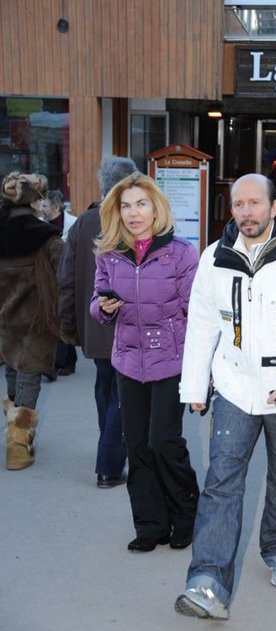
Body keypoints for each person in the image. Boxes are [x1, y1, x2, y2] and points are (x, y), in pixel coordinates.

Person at [174, 173, 276, 620]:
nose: (246, 212)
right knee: (221, 481)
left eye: (255, 203)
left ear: (274, 207)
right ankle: (207, 582)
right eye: (238, 204)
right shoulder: (215, 257)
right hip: (234, 387)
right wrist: (194, 386)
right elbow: (201, 325)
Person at [90, 172, 200, 550]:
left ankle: (186, 516)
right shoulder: (109, 254)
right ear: (116, 212)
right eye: (125, 206)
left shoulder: (181, 253)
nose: (133, 213)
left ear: (156, 208)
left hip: (171, 360)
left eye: (141, 204)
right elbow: (97, 304)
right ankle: (151, 526)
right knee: (137, 446)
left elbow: (196, 313)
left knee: (164, 442)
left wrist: (204, 369)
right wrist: (104, 308)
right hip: (128, 361)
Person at [57, 156, 137, 488]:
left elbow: (66, 278)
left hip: (94, 325)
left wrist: (68, 325)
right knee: (122, 392)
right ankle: (109, 464)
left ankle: (109, 448)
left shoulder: (84, 222)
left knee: (105, 385)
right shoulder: (135, 221)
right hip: (129, 324)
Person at [0, 172, 64, 470]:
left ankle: (16, 429)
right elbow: (64, 274)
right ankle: (17, 444)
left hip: (4, 317)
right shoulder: (47, 237)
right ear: (35, 202)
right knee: (29, 374)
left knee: (13, 368)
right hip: (36, 318)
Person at [41, 189, 78, 378]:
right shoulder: (40, 225)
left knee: (63, 317)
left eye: (45, 205)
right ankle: (63, 361)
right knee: (56, 319)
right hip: (48, 278)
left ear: (56, 207)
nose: (41, 209)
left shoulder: (74, 223)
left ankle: (63, 362)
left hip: (67, 277)